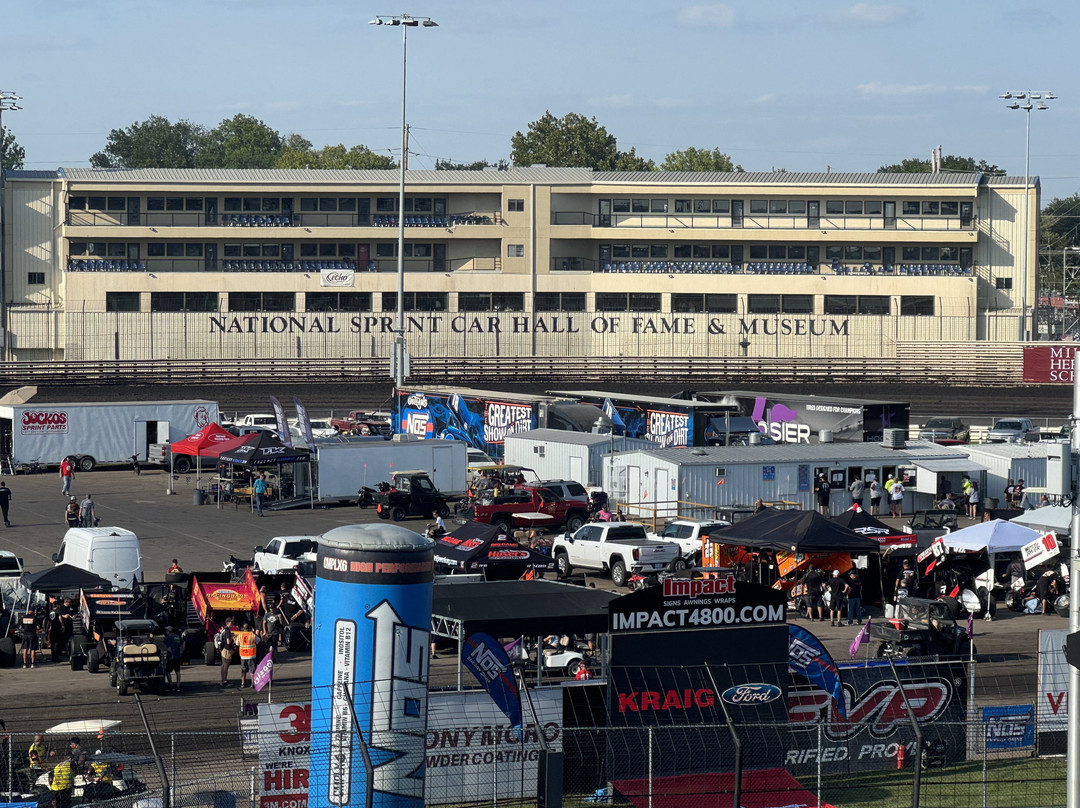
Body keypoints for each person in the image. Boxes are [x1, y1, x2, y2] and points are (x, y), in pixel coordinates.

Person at [215, 616, 237, 686]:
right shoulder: (227, 631)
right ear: (228, 623)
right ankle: (225, 681)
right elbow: (228, 642)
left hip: (223, 649)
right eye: (232, 622)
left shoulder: (223, 629)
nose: (233, 623)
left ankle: (222, 679)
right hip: (227, 649)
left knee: (223, 665)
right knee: (226, 666)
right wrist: (232, 638)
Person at [163, 626, 185, 692]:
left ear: (168, 631)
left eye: (166, 631)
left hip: (171, 657)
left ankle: (171, 685)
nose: (166, 632)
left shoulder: (167, 638)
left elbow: (163, 644)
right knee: (177, 671)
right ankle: (178, 686)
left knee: (167, 671)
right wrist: (181, 650)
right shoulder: (177, 636)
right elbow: (183, 642)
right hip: (177, 656)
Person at [237, 622, 258, 688]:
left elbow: (237, 643)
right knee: (252, 670)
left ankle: (243, 683)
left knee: (243, 670)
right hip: (251, 655)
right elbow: (258, 640)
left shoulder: (240, 635)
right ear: (249, 628)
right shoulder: (252, 635)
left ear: (243, 628)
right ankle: (252, 683)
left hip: (243, 655)